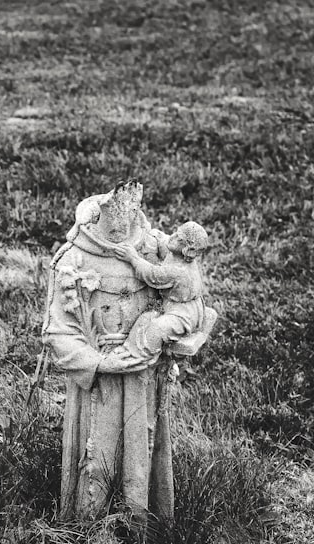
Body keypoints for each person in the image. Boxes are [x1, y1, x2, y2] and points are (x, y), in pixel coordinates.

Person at [42, 180, 204, 520]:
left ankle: (141, 525)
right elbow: (57, 332)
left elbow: (188, 295)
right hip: (99, 380)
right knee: (95, 455)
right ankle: (86, 532)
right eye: (112, 222)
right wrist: (99, 363)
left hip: (142, 374)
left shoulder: (156, 247)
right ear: (97, 217)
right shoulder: (73, 257)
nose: (120, 228)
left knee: (140, 449)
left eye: (127, 220)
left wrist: (169, 336)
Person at [109, 221, 209, 364]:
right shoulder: (176, 252)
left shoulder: (178, 270)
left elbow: (152, 274)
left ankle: (137, 355)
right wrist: (153, 234)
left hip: (183, 314)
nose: (173, 236)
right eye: (176, 232)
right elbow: (164, 241)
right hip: (180, 304)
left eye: (179, 239)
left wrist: (133, 258)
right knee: (147, 319)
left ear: (188, 250)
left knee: (157, 328)